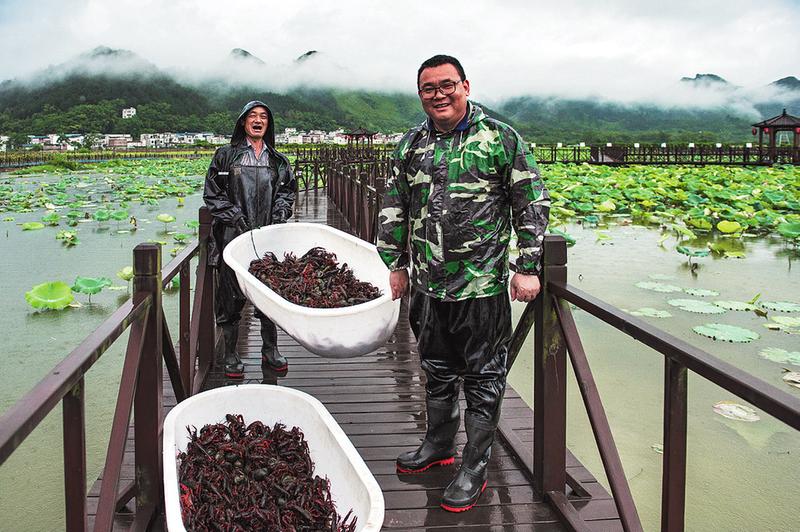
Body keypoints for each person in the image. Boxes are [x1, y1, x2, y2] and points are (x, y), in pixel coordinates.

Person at [376, 55, 550, 512]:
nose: (438, 94)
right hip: (429, 287)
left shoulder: (500, 137)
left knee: (484, 379)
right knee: (435, 372)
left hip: (482, 288)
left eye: (446, 85)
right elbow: (394, 206)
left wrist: (527, 265)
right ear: (420, 95)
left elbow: (530, 202)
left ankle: (474, 464)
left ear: (466, 86)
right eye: (428, 88)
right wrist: (393, 263)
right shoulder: (410, 144)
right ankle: (438, 444)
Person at [204, 100, 297, 378]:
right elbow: (212, 195)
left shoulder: (277, 161)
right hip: (233, 237)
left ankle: (270, 349)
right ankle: (231, 354)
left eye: (264, 117)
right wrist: (234, 216)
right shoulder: (225, 156)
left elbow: (287, 192)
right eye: (253, 116)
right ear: (243, 122)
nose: (258, 120)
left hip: (268, 239)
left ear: (268, 125)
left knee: (268, 294)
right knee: (230, 296)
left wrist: (280, 212)